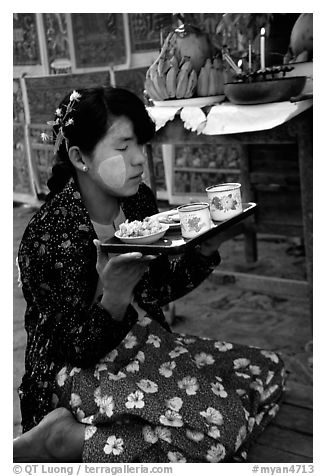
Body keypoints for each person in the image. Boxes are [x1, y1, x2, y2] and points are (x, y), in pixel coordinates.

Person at [14, 86, 285, 463]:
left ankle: (132, 439)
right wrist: (113, 297)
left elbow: (157, 290)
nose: (140, 159)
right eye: (123, 147)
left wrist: (206, 247)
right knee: (226, 429)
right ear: (80, 157)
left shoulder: (137, 201)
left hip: (142, 342)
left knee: (269, 371)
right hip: (76, 371)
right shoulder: (50, 237)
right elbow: (72, 349)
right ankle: (62, 438)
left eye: (141, 144)